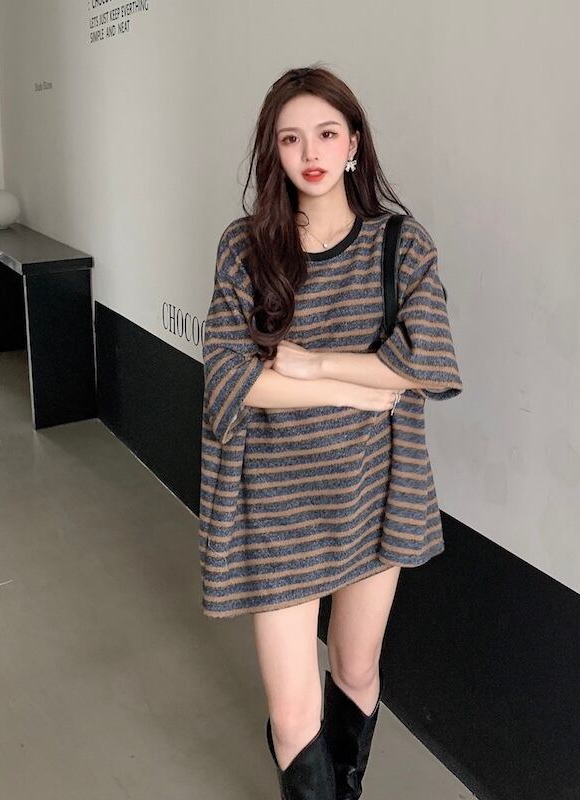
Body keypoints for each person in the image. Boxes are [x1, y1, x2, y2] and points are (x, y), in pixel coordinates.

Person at [198, 64, 463, 799]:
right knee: (292, 715)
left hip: (375, 490)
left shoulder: (400, 245)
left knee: (354, 669)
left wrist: (314, 365)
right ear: (273, 151)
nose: (309, 152)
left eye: (325, 133)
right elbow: (228, 377)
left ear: (354, 143)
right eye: (290, 138)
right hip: (277, 500)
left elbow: (428, 363)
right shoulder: (246, 247)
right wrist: (355, 389)